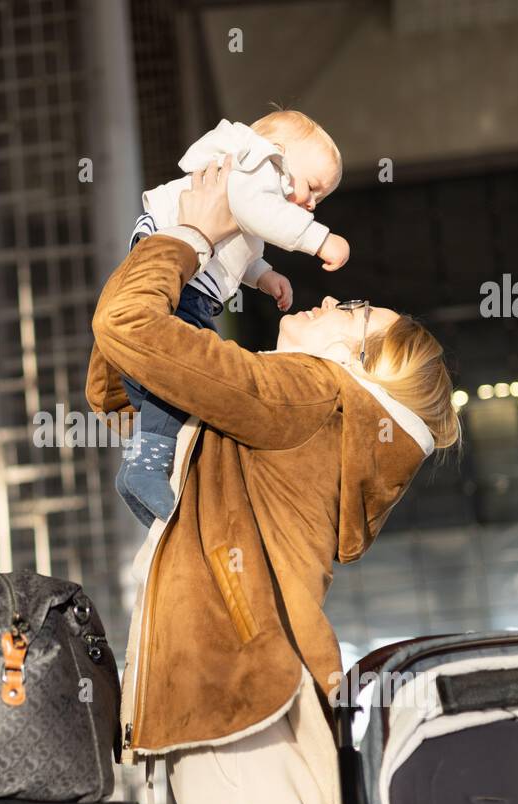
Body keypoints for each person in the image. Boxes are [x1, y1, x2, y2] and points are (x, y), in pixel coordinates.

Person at [86, 158, 461, 804]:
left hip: (240, 709)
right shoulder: (293, 419)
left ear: (359, 373)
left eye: (350, 315)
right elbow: (117, 379)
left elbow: (128, 327)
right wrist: (183, 261)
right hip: (234, 715)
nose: (326, 303)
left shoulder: (314, 399)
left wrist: (189, 236)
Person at [116, 110, 352, 525]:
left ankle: (143, 461)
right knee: (187, 372)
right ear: (281, 154)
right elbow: (257, 211)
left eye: (320, 200)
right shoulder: (258, 167)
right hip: (181, 274)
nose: (312, 203)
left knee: (166, 384)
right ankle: (145, 467)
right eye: (312, 187)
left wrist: (263, 276)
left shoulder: (252, 185)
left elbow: (236, 253)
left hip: (186, 273)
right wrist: (319, 239)